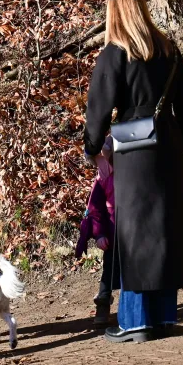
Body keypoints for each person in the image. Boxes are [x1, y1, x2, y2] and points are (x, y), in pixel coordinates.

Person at [83, 0, 183, 343]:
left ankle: (135, 322)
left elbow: (98, 110)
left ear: (114, 16)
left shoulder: (114, 54)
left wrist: (93, 148)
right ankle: (165, 318)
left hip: (133, 151)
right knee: (164, 231)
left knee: (135, 235)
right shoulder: (168, 50)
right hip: (168, 146)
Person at [74, 136, 118, 326]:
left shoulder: (130, 175)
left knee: (133, 269)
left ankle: (134, 308)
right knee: (108, 270)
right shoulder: (102, 179)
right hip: (111, 234)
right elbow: (95, 209)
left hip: (132, 232)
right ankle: (102, 307)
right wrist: (99, 234)